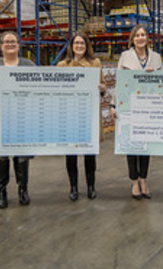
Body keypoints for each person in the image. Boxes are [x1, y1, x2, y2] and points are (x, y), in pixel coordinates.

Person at [0, 31, 36, 208]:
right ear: (1, 46)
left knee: (22, 155)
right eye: (6, 42)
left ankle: (23, 189)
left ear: (19, 45)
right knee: (0, 156)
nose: (10, 44)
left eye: (13, 41)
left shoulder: (28, 65)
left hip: (21, 117)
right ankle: (1, 191)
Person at [114, 25, 163, 199]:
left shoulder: (156, 58)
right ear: (132, 39)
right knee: (131, 144)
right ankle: (134, 181)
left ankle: (144, 179)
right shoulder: (125, 57)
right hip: (129, 105)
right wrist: (114, 105)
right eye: (137, 36)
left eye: (143, 35)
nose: (140, 38)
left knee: (145, 145)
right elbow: (119, 82)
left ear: (147, 38)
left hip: (149, 107)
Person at [57, 32, 106, 201]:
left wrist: (101, 88)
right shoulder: (63, 65)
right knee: (71, 154)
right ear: (71, 46)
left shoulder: (95, 63)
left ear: (87, 46)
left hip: (89, 113)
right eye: (76, 43)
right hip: (70, 115)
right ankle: (73, 187)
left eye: (82, 43)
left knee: (89, 153)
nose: (79, 46)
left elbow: (103, 85)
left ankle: (91, 186)